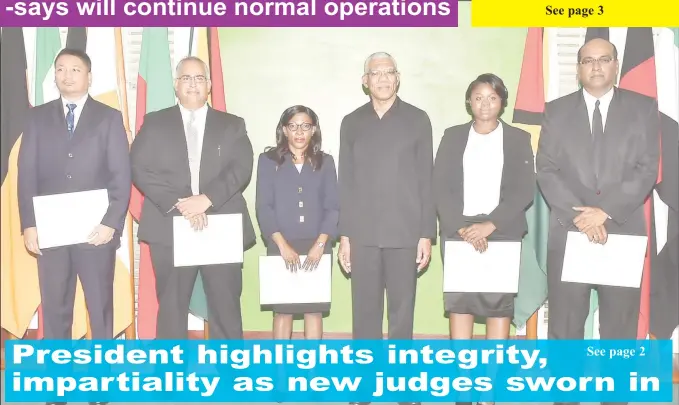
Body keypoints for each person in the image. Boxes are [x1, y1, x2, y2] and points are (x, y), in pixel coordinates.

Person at [17, 48, 130, 405]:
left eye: (75, 69)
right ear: (54, 75)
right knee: (56, 312)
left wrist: (111, 223)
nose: (67, 75)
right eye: (61, 69)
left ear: (89, 76)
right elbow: (26, 176)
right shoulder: (36, 119)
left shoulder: (109, 118)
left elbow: (121, 177)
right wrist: (29, 225)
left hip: (96, 234)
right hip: (50, 234)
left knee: (100, 312)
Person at [536, 38, 659, 351]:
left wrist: (603, 211)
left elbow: (647, 169)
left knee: (619, 330)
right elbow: (546, 170)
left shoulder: (642, 108)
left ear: (616, 66)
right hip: (570, 230)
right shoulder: (556, 110)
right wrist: (584, 218)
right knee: (565, 329)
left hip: (622, 229)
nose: (595, 66)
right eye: (588, 60)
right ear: (578, 69)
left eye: (604, 59)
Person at [130, 56, 255, 340]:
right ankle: (171, 377)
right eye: (187, 78)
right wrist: (183, 203)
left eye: (199, 78)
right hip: (170, 224)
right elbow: (139, 167)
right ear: (176, 85)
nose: (193, 84)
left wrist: (206, 199)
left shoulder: (232, 124)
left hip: (220, 224)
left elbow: (241, 168)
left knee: (225, 308)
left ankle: (230, 377)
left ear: (209, 85)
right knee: (172, 309)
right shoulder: (154, 122)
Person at [338, 51, 435, 405]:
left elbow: (427, 179)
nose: (382, 78)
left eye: (389, 71)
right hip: (361, 235)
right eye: (375, 72)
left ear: (398, 77)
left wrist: (426, 233)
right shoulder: (351, 122)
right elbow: (345, 183)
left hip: (405, 234)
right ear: (365, 81)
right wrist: (344, 236)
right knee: (364, 317)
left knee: (401, 317)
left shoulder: (418, 120)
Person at [434, 74, 535, 405]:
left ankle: (490, 390)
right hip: (459, 232)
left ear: (502, 102)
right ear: (469, 102)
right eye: (478, 97)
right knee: (460, 306)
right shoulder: (452, 137)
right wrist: (463, 229)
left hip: (501, 233)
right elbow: (440, 187)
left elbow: (522, 191)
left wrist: (490, 226)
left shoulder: (519, 139)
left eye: (492, 97)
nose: (485, 104)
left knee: (497, 309)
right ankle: (463, 387)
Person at [255, 105, 339, 339]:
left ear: (314, 130)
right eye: (293, 126)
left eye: (305, 126)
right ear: (284, 130)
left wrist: (321, 245)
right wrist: (282, 245)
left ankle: (312, 371)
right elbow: (264, 207)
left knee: (314, 310)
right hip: (281, 244)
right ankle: (281, 372)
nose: (299, 132)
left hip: (317, 246)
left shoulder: (325, 162)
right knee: (283, 310)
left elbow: (333, 206)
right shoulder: (268, 161)